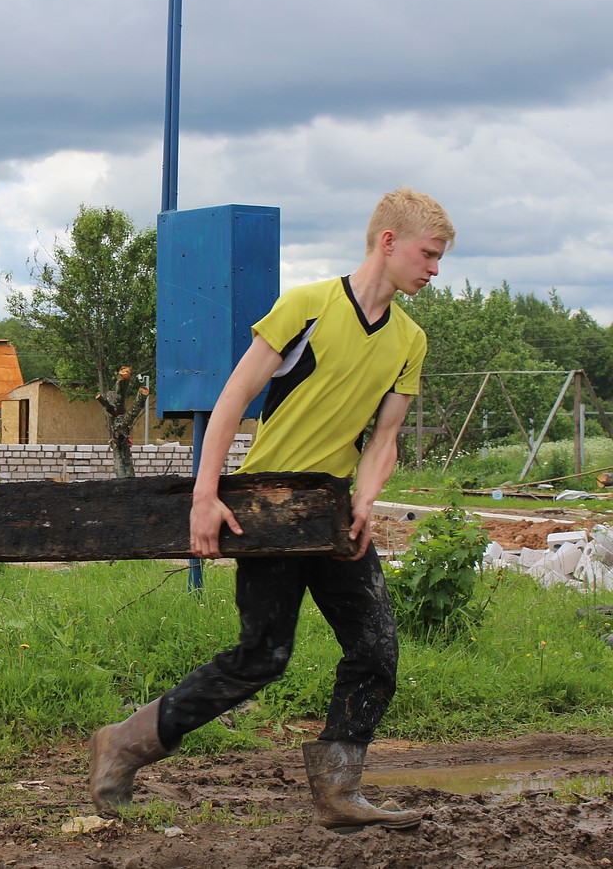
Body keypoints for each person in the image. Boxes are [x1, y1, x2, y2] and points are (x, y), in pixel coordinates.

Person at [89, 187, 455, 830]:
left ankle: (340, 792)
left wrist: (367, 497)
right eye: (428, 255)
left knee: (376, 651)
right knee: (263, 654)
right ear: (387, 242)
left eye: (440, 259)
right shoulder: (307, 306)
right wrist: (206, 494)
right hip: (266, 502)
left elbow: (387, 435)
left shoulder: (408, 339)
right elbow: (233, 397)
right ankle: (125, 743)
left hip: (331, 510)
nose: (434, 269)